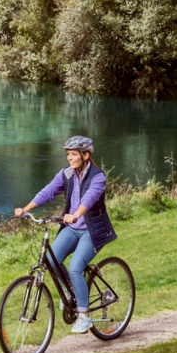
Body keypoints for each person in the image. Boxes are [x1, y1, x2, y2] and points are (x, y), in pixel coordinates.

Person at [14, 135, 116, 333]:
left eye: (74, 154)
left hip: (92, 231)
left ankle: (85, 317)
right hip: (72, 228)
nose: (70, 158)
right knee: (51, 261)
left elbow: (89, 199)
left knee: (75, 267)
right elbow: (48, 192)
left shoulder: (98, 177)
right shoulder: (66, 174)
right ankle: (71, 291)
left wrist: (75, 214)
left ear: (85, 155)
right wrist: (26, 209)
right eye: (68, 154)